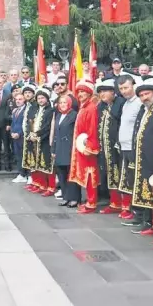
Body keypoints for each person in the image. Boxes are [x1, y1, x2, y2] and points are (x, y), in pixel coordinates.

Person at [128, 78, 153, 234]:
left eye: (147, 94)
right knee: (143, 188)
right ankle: (148, 222)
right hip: (141, 156)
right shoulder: (143, 109)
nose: (145, 97)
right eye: (142, 95)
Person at [69, 81, 100, 213]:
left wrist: (90, 147)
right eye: (79, 92)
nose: (81, 94)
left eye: (83, 91)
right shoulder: (83, 107)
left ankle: (92, 203)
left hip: (87, 147)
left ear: (89, 93)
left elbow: (92, 129)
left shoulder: (91, 108)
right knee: (85, 174)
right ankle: (89, 200)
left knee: (89, 174)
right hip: (81, 146)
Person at [97, 79, 125, 214]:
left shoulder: (120, 104)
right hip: (105, 147)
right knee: (109, 174)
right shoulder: (101, 106)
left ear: (113, 92)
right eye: (100, 92)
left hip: (117, 147)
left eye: (105, 91)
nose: (102, 94)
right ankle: (114, 203)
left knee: (121, 174)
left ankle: (125, 205)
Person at [117, 75, 142, 220]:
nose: (124, 91)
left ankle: (138, 212)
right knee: (127, 180)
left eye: (126, 87)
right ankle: (132, 210)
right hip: (124, 147)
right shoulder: (126, 104)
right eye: (121, 89)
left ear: (133, 85)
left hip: (133, 147)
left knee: (134, 179)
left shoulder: (139, 102)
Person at [24, 88, 55, 194]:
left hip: (45, 140)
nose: (41, 100)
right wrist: (30, 134)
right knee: (36, 163)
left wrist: (37, 135)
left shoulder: (50, 111)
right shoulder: (35, 109)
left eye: (42, 98)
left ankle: (51, 187)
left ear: (47, 98)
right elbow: (30, 123)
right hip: (34, 140)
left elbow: (48, 127)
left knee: (46, 163)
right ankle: (40, 184)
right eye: (38, 98)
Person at [52, 95, 78, 207]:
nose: (62, 105)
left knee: (71, 174)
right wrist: (53, 149)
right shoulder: (58, 115)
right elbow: (55, 134)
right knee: (62, 174)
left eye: (65, 102)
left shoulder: (74, 115)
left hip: (69, 148)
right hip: (59, 148)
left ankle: (74, 198)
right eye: (60, 102)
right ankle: (65, 196)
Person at [10, 93, 27, 183]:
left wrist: (19, 133)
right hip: (15, 137)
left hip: (22, 136)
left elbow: (25, 124)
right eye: (16, 99)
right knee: (18, 156)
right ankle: (21, 174)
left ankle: (26, 174)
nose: (18, 101)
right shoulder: (15, 110)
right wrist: (12, 132)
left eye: (20, 99)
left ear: (24, 100)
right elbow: (13, 123)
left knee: (24, 156)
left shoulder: (26, 110)